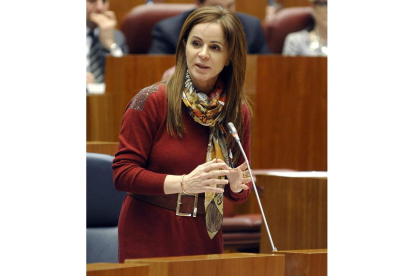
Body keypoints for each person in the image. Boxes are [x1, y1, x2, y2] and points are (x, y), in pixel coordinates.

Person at [112, 6, 253, 262]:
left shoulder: (235, 111)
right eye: (196, 43)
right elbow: (122, 173)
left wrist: (235, 184)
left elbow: (242, 189)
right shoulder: (152, 100)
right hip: (149, 231)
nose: (203, 54)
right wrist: (184, 183)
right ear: (184, 46)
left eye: (215, 47)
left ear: (229, 56)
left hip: (204, 234)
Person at [148, 0, 271, 54]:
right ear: (198, 4)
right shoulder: (168, 30)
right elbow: (157, 68)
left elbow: (265, 68)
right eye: (217, 6)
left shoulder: (252, 27)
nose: (225, 12)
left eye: (230, 5)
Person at [86, 0, 128, 84]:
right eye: (92, 1)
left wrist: (110, 44)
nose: (99, 8)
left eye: (104, 1)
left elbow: (125, 76)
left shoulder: (117, 37)